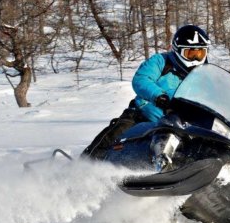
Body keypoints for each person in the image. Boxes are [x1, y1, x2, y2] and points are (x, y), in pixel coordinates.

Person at [81, 24, 211, 160]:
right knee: (113, 135)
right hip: (142, 114)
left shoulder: (205, 75)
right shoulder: (161, 61)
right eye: (191, 54)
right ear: (178, 51)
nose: (196, 59)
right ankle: (86, 162)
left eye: (200, 53)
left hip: (181, 122)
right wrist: (159, 96)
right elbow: (141, 79)